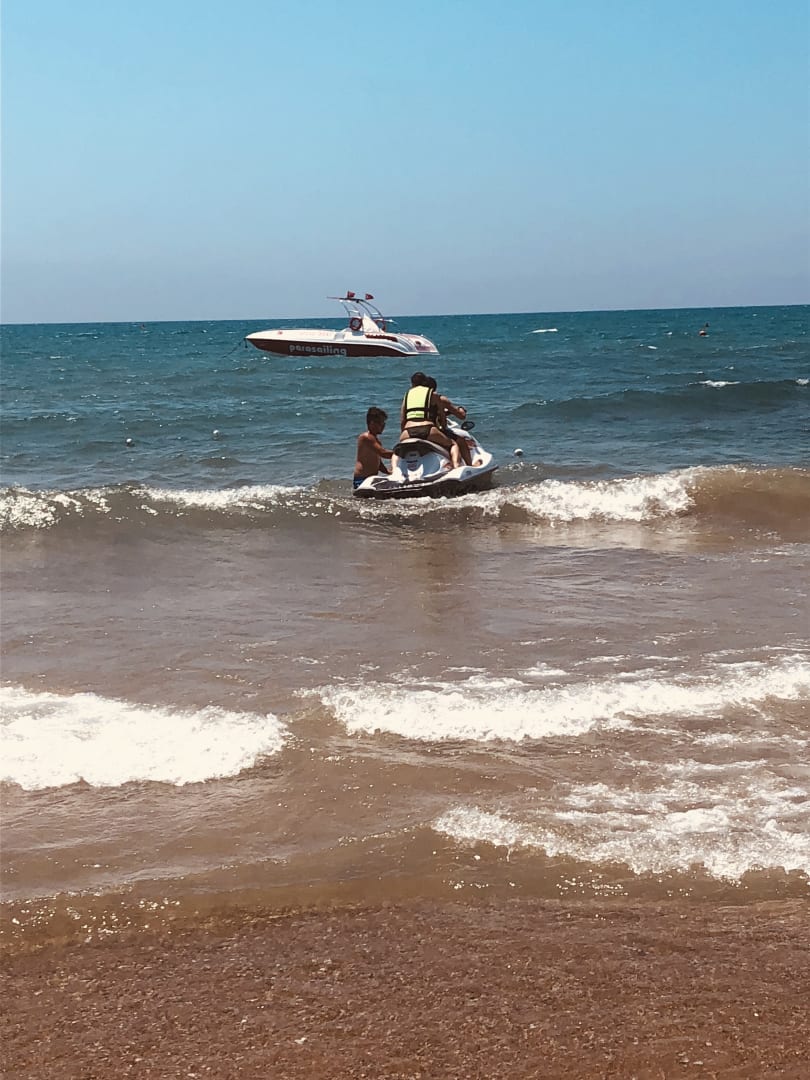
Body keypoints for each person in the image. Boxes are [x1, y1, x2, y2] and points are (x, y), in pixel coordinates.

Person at [399, 373, 461, 468]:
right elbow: (442, 416)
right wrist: (443, 428)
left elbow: (403, 419)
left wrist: (404, 433)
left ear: (412, 383)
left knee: (398, 451)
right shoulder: (433, 394)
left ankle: (393, 470)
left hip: (408, 431)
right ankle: (456, 466)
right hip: (427, 429)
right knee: (453, 444)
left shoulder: (407, 395)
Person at [424, 376, 476, 467]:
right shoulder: (440, 399)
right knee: (460, 441)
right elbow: (461, 416)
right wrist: (460, 409)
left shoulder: (417, 400)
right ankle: (469, 466)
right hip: (434, 431)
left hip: (414, 431)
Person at [353, 407, 393, 488]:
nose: (383, 426)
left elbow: (378, 462)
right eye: (381, 423)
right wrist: (400, 453)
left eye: (384, 424)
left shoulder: (375, 440)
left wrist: (388, 472)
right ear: (372, 423)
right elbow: (383, 453)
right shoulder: (366, 437)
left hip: (370, 479)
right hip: (362, 479)